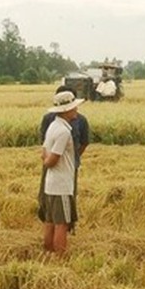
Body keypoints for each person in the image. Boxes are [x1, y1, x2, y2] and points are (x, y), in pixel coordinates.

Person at [39, 91, 84, 254]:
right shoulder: (64, 132)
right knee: (62, 223)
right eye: (74, 107)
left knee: (50, 221)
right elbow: (51, 160)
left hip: (50, 184)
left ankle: (48, 253)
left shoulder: (53, 126)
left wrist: (46, 160)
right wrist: (47, 162)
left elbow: (44, 150)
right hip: (62, 184)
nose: (76, 109)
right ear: (66, 110)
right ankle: (59, 258)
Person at [40, 85, 90, 165]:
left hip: (70, 164)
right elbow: (44, 142)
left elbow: (84, 142)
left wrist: (72, 156)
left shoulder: (81, 120)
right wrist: (49, 160)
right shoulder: (50, 120)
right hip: (53, 164)